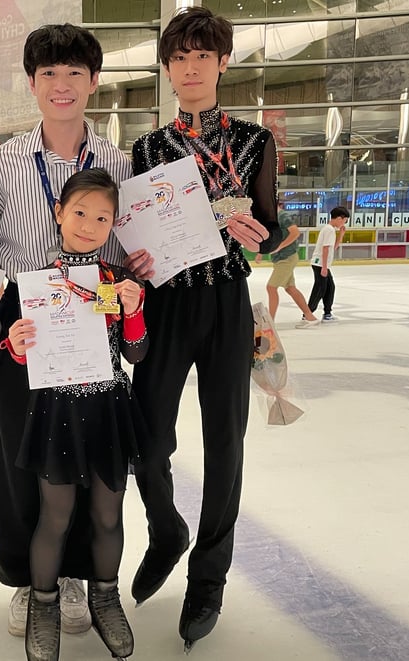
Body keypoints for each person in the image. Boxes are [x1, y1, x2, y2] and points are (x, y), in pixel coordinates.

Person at [125, 7, 281, 651]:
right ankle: (167, 528)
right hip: (165, 305)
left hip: (224, 304)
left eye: (202, 56)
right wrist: (134, 258)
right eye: (179, 58)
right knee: (145, 440)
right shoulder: (149, 147)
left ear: (222, 63)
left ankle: (209, 576)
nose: (190, 67)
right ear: (167, 69)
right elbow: (137, 230)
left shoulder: (255, 141)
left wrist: (260, 236)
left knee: (226, 443)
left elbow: (271, 229)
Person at [0, 23, 133, 638]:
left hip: (94, 348)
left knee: (87, 466)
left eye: (75, 72)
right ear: (31, 84)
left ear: (94, 82)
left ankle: (76, 579)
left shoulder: (121, 164)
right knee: (23, 468)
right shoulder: (0, 165)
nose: (62, 84)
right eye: (49, 73)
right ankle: (30, 581)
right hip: (27, 337)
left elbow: (139, 251)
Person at [3, 169, 146, 661]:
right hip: (56, 410)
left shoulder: (119, 280)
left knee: (108, 514)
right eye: (80, 212)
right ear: (58, 213)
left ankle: (105, 596)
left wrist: (135, 310)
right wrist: (17, 346)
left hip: (108, 408)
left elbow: (138, 353)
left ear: (114, 223)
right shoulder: (35, 283)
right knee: (56, 515)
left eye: (102, 216)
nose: (89, 224)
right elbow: (21, 356)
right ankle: (44, 606)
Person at [255, 209, 319, 328]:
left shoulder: (282, 216)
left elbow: (295, 232)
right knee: (290, 288)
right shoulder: (272, 218)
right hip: (282, 258)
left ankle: (270, 322)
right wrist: (261, 252)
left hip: (287, 258)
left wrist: (280, 247)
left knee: (271, 287)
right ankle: (310, 317)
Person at [307, 206, 349, 322]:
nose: (344, 223)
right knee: (320, 288)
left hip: (321, 264)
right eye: (345, 220)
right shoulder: (329, 230)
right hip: (320, 264)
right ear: (340, 218)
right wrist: (325, 267)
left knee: (329, 287)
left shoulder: (330, 229)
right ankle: (308, 313)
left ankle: (327, 313)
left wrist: (341, 235)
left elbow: (332, 248)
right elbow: (325, 249)